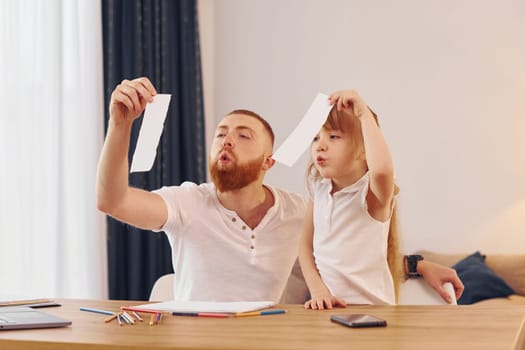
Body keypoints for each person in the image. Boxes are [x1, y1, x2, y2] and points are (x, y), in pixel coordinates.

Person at [96, 77, 464, 304]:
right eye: (221, 133)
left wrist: (418, 265)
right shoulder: (186, 202)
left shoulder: (301, 210)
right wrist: (120, 124)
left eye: (243, 136)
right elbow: (112, 201)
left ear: (268, 162)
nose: (227, 141)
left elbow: (349, 253)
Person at [299, 90, 399, 309]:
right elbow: (305, 247)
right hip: (328, 311)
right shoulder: (319, 190)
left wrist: (363, 114)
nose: (320, 145)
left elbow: (382, 171)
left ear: (365, 150)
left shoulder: (370, 195)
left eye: (333, 136)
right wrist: (318, 290)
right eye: (315, 137)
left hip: (373, 312)